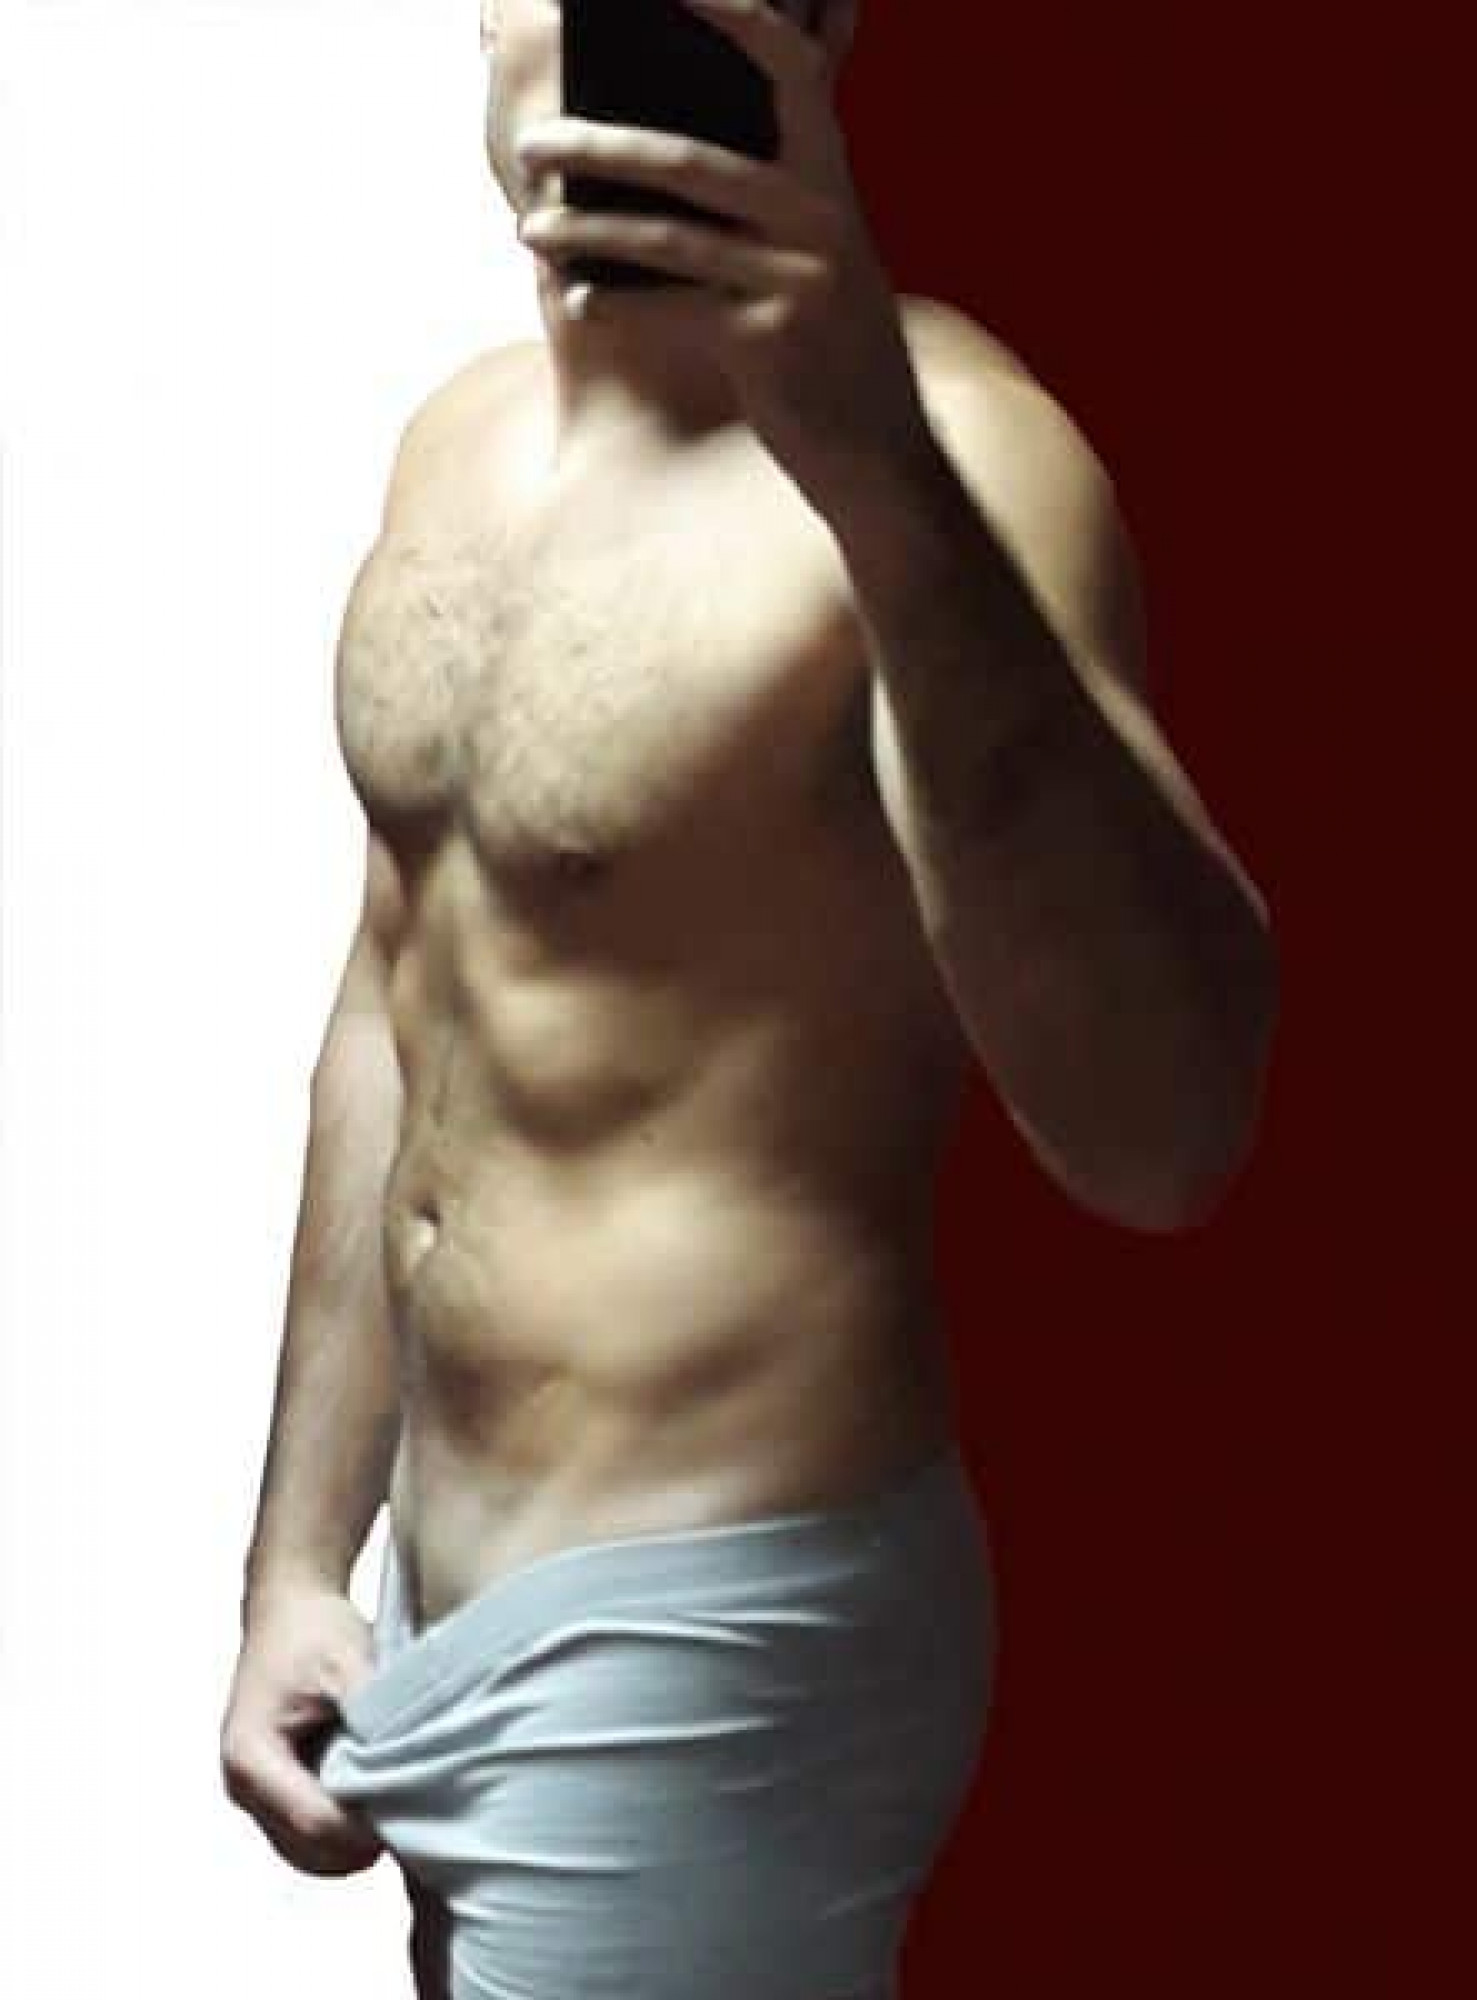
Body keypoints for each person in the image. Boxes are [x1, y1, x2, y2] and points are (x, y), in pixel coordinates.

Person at [219, 3, 1279, 1994]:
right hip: (443, 1590)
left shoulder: (965, 454)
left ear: (815, 36)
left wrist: (872, 467)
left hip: (711, 1620)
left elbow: (1168, 1131)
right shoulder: (454, 439)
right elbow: (395, 991)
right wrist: (296, 1553)